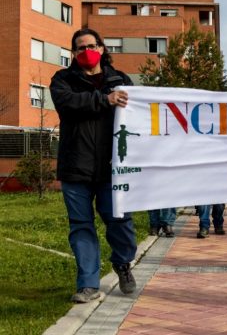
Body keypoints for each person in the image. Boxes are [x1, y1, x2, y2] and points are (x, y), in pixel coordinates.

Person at [50, 28, 137, 303]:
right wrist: (104, 100)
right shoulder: (62, 80)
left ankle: (122, 263)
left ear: (101, 48)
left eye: (90, 45)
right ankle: (88, 283)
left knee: (120, 221)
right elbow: (68, 104)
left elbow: (138, 116)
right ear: (73, 53)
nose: (85, 51)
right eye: (79, 47)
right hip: (76, 167)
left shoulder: (121, 80)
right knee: (81, 226)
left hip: (113, 168)